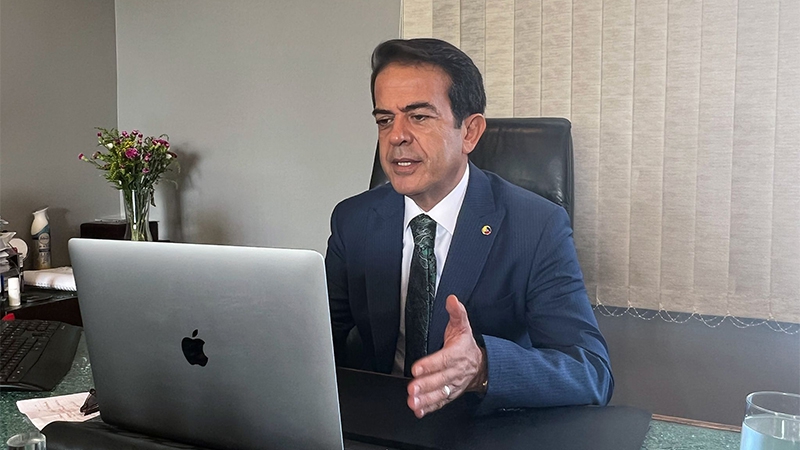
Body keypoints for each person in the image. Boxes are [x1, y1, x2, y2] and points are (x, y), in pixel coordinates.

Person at [325, 38, 613, 418]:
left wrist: (482, 369)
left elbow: (590, 372)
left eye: (419, 116)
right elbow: (318, 337)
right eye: (385, 120)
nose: (396, 136)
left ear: (470, 133)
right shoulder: (353, 221)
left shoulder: (536, 226)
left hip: (479, 426)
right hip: (381, 419)